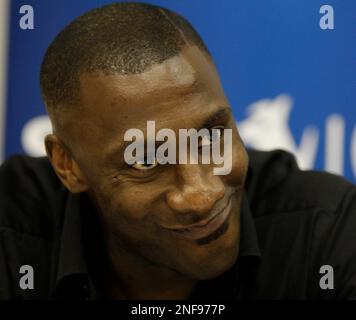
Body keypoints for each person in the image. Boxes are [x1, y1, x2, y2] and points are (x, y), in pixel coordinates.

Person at [0, 2, 355, 300]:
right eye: (147, 159)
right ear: (68, 165)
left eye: (210, 138)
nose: (201, 195)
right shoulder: (13, 233)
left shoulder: (326, 230)